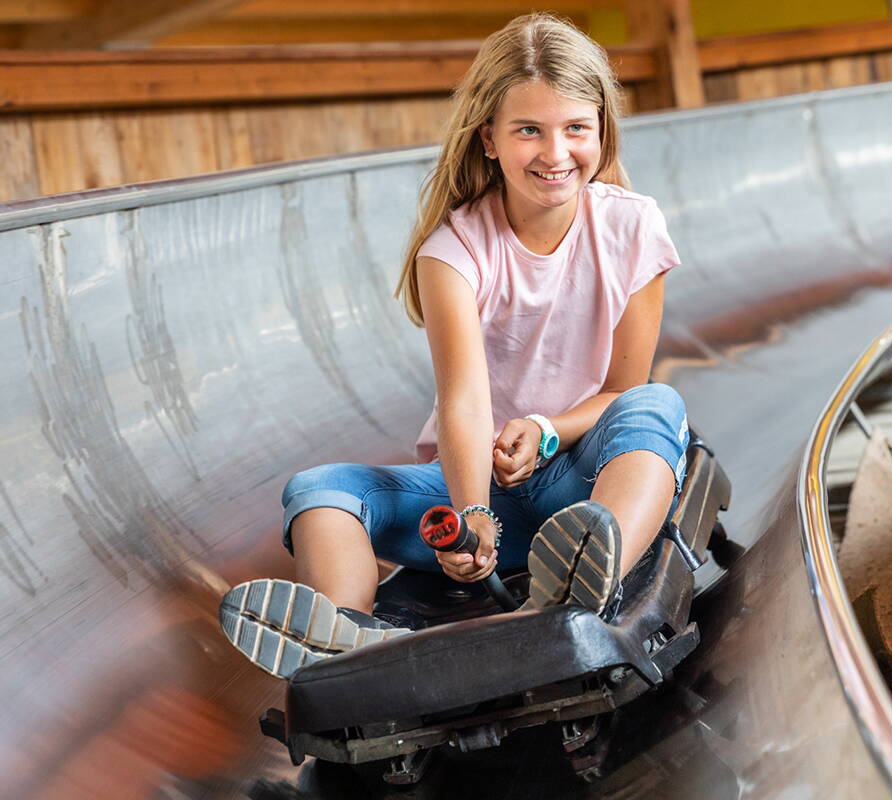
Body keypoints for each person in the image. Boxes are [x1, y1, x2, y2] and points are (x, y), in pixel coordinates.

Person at [219, 12, 689, 679]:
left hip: (582, 477)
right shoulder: (454, 252)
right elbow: (464, 404)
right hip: (476, 485)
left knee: (656, 405)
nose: (556, 154)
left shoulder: (633, 227)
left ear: (600, 132)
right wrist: (472, 518)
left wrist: (545, 430)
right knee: (319, 489)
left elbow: (622, 387)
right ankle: (349, 641)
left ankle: (585, 586)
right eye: (529, 130)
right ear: (489, 139)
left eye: (575, 129)